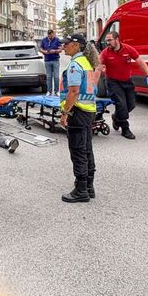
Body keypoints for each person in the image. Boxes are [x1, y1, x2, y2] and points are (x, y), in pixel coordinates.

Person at [58, 33, 101, 203]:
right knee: (87, 149)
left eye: (67, 43)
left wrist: (65, 113)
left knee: (78, 151)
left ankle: (81, 189)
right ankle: (89, 186)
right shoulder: (87, 62)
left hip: (78, 112)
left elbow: (73, 91)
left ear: (76, 46)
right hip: (89, 111)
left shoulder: (76, 65)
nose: (64, 46)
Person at [99, 30, 148, 140]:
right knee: (122, 105)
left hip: (127, 81)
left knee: (131, 105)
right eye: (106, 41)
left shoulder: (128, 49)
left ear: (117, 40)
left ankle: (117, 117)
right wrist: (94, 81)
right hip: (113, 82)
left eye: (109, 40)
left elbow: (140, 61)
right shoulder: (105, 53)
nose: (107, 43)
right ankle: (125, 128)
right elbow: (98, 66)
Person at [40, 29, 62, 96]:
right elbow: (40, 48)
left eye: (51, 35)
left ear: (53, 34)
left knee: (56, 77)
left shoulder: (57, 40)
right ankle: (49, 91)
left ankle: (57, 91)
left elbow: (60, 49)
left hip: (55, 60)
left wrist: (54, 51)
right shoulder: (44, 40)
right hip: (47, 60)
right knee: (49, 77)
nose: (50, 37)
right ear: (48, 34)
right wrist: (44, 51)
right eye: (49, 36)